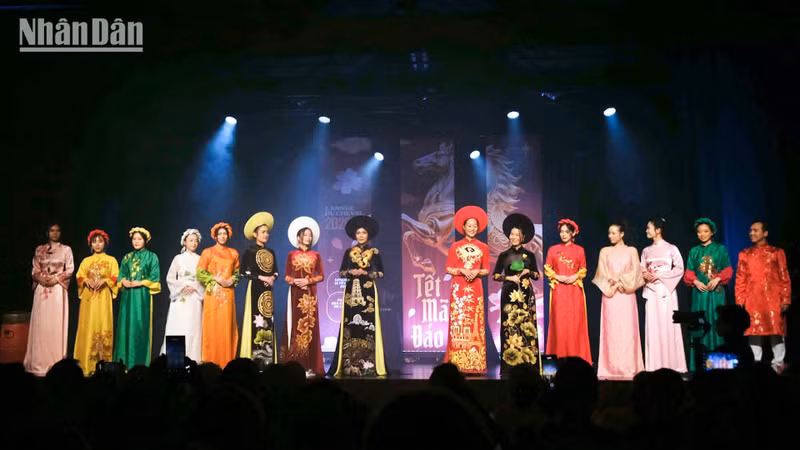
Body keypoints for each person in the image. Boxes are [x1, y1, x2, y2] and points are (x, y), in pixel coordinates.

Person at [329, 215, 387, 377]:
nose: (361, 235)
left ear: (368, 235)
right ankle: (349, 364)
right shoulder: (349, 252)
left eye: (364, 233)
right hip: (351, 292)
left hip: (367, 292)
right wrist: (350, 272)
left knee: (368, 324)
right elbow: (341, 272)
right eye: (358, 233)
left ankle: (368, 364)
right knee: (350, 324)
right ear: (355, 235)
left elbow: (381, 273)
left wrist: (366, 272)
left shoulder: (374, 252)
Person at [735, 220, 791, 371]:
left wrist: (786, 297)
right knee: (754, 330)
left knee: (776, 330)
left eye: (755, 230)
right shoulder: (744, 254)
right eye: (750, 230)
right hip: (752, 298)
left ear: (765, 233)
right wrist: (740, 299)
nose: (751, 233)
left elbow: (784, 275)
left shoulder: (777, 253)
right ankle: (756, 364)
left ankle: (778, 364)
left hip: (773, 298)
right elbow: (740, 278)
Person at [592, 221, 645, 379]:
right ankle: (610, 368)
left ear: (622, 234)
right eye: (609, 233)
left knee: (628, 332)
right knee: (611, 332)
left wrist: (622, 282)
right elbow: (601, 273)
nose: (610, 236)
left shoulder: (632, 251)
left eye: (614, 233)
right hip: (611, 296)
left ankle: (630, 367)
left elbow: (636, 272)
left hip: (627, 295)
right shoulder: (605, 251)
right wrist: (614, 286)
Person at [492, 213, 541, 375]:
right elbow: (495, 275)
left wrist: (528, 271)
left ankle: (529, 363)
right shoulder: (504, 255)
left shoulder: (530, 255)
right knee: (509, 326)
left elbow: (537, 275)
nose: (513, 237)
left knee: (527, 327)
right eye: (511, 234)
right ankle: (509, 364)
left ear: (523, 237)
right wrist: (509, 277)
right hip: (509, 294)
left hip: (526, 294)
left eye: (517, 234)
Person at [445, 206, 490, 374]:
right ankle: (457, 362)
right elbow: (448, 268)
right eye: (469, 225)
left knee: (475, 322)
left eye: (475, 226)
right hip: (459, 287)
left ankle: (475, 363)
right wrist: (462, 271)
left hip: (475, 287)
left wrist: (476, 272)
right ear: (463, 227)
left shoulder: (483, 247)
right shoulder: (455, 246)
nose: (472, 228)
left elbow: (486, 269)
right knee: (459, 321)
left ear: (478, 228)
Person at [25, 223, 74, 376]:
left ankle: (56, 362)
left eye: (57, 230)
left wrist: (56, 279)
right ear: (47, 232)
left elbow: (70, 268)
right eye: (52, 230)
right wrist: (42, 279)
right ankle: (39, 362)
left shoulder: (66, 249)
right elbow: (34, 269)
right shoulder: (39, 249)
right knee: (42, 324)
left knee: (55, 324)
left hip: (58, 289)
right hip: (42, 288)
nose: (54, 233)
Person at [683, 217, 733, 371]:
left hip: (716, 295)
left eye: (705, 231)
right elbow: (689, 272)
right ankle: (699, 366)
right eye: (699, 232)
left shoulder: (720, 249)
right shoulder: (694, 251)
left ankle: (719, 366)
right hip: (700, 295)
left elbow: (728, 270)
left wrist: (718, 278)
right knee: (700, 327)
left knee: (717, 325)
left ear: (712, 232)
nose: (702, 234)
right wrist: (696, 282)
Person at [641, 217, 687, 372]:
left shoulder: (671, 248)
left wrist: (660, 276)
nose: (646, 230)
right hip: (652, 291)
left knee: (668, 326)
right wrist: (645, 274)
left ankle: (673, 365)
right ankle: (654, 366)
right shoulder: (646, 251)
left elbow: (679, 269)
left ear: (658, 230)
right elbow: (641, 268)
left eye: (649, 228)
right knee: (653, 327)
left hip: (666, 291)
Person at [543, 219, 592, 364]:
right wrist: (558, 276)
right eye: (561, 232)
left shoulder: (580, 250)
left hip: (574, 290)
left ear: (572, 233)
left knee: (575, 324)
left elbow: (583, 269)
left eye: (566, 232)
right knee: (559, 324)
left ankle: (577, 359)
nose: (563, 235)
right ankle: (559, 357)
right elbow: (547, 268)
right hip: (559, 290)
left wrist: (574, 277)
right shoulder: (553, 249)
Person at [281, 216, 325, 376]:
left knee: (310, 328)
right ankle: (295, 365)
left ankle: (311, 365)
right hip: (295, 294)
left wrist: (308, 281)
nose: (308, 237)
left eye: (310, 235)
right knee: (295, 326)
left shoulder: (316, 255)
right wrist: (295, 281)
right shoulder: (291, 254)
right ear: (299, 236)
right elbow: (286, 276)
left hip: (310, 294)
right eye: (305, 235)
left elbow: (321, 276)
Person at [114, 227, 161, 368]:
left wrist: (140, 282)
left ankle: (139, 363)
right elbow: (121, 274)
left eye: (139, 239)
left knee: (140, 326)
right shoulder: (127, 257)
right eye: (134, 239)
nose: (136, 241)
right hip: (127, 297)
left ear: (145, 240)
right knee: (125, 326)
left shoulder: (152, 257)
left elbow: (155, 276)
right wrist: (123, 281)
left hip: (142, 297)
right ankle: (123, 363)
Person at [73, 229, 118, 375]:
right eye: (94, 242)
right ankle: (86, 363)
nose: (97, 244)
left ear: (105, 243)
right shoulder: (86, 261)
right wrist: (87, 280)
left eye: (100, 241)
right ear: (90, 244)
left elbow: (116, 276)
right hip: (89, 300)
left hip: (103, 298)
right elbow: (79, 276)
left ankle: (103, 364)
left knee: (103, 324)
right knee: (88, 326)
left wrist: (105, 280)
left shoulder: (111, 260)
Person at [239, 212, 280, 369]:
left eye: (267, 232)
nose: (266, 234)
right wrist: (263, 278)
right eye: (263, 232)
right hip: (255, 288)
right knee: (256, 322)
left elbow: (276, 270)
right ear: (255, 234)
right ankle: (254, 360)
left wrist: (272, 278)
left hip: (268, 291)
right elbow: (244, 272)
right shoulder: (249, 251)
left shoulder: (271, 252)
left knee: (268, 322)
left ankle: (268, 361)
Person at [197, 222, 240, 368]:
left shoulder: (233, 253)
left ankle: (227, 362)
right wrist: (214, 278)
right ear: (215, 236)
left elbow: (237, 273)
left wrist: (231, 280)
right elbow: (199, 272)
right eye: (220, 234)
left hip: (228, 295)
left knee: (227, 327)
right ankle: (210, 362)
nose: (222, 236)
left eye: (225, 234)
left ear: (228, 235)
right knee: (212, 326)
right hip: (212, 294)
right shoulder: (207, 252)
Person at [161, 228, 204, 362]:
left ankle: (192, 360)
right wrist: (182, 287)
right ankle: (174, 360)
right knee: (178, 327)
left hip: (195, 299)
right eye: (191, 240)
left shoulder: (201, 259)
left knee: (193, 329)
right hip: (180, 298)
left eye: (196, 241)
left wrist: (195, 287)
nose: (194, 243)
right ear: (184, 242)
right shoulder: (178, 259)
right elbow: (170, 278)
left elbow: (203, 279)